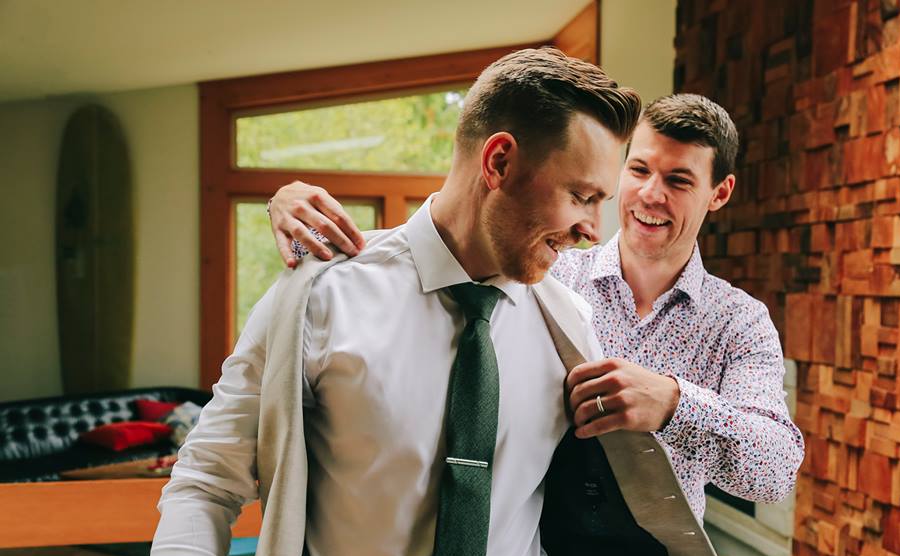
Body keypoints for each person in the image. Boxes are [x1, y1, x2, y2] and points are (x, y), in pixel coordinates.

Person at [143, 47, 651, 556]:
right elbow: (206, 483)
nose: (594, 230)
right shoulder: (318, 298)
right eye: (582, 197)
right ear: (500, 161)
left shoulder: (570, 326)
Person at [267, 93, 806, 523]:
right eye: (638, 170)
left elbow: (775, 471)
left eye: (679, 180)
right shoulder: (547, 269)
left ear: (720, 193)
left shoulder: (739, 322)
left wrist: (673, 403)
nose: (649, 194)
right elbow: (461, 228)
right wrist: (295, 208)